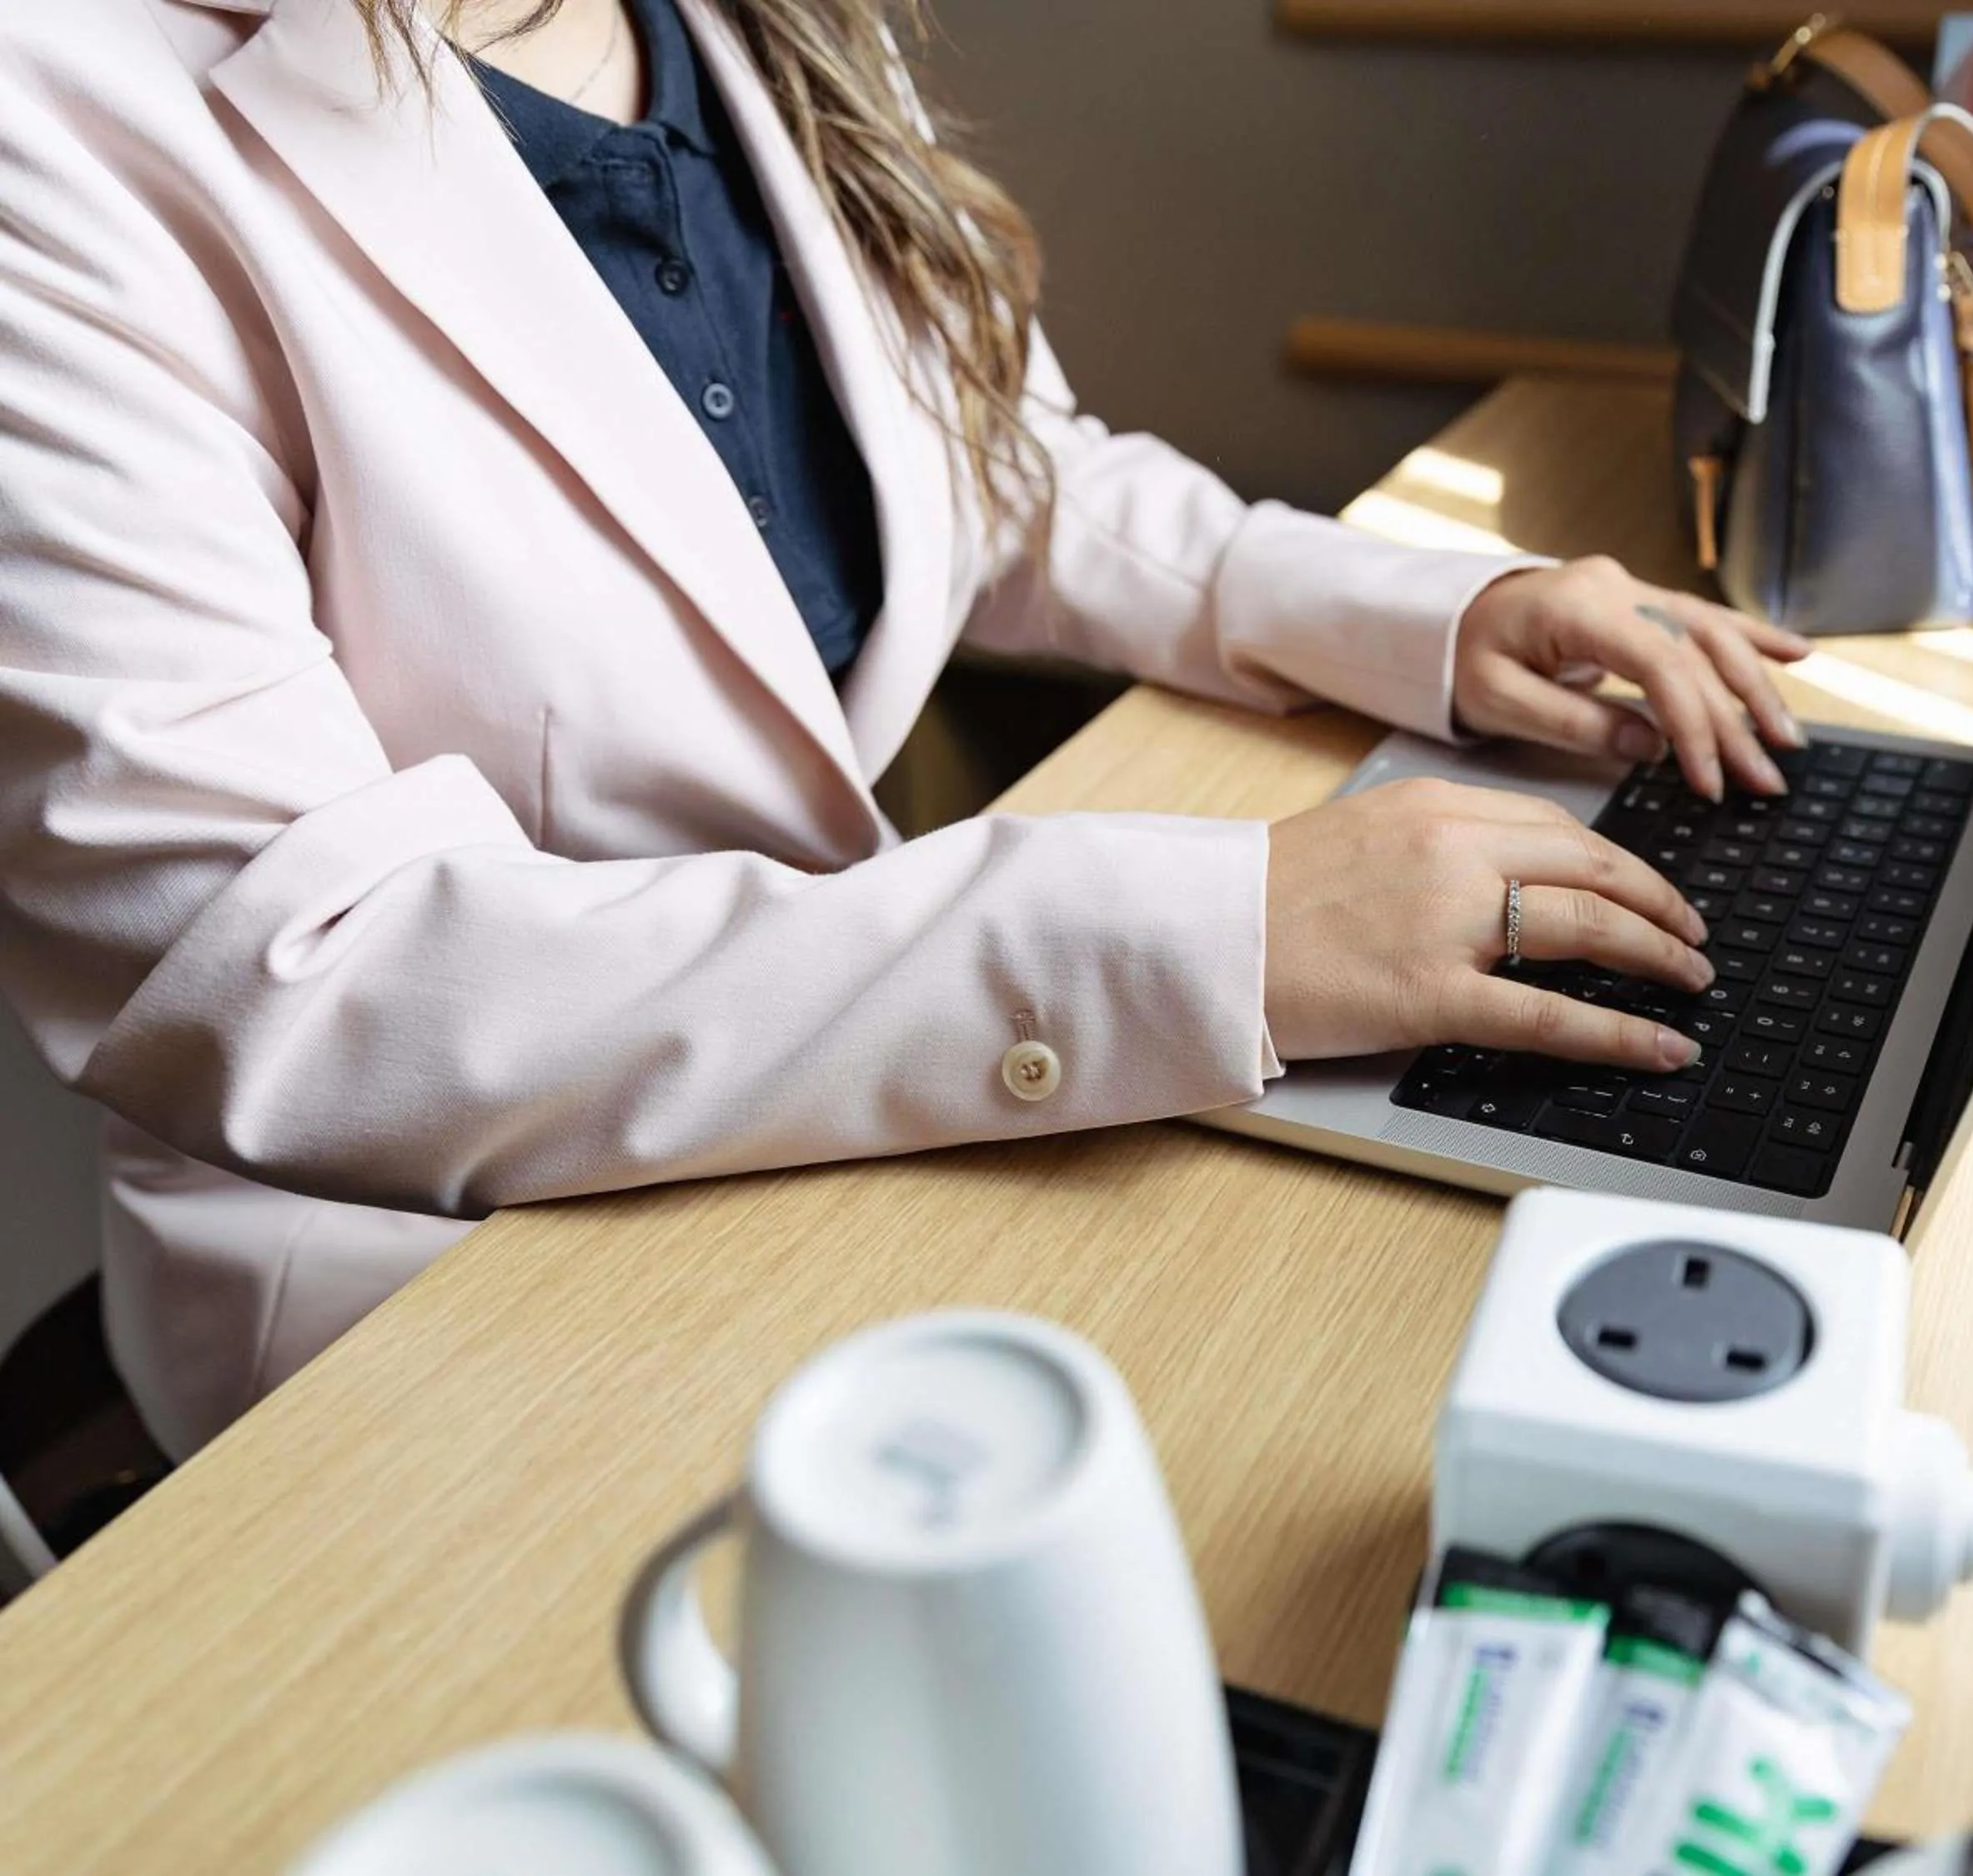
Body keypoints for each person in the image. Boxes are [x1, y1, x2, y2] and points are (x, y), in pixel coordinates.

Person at [0, 0, 1810, 1458]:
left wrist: (1432, 612)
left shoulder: (745, 29)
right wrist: (1215, 927)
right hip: (421, 1262)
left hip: (834, 1080)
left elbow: (996, 472)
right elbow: (299, 973)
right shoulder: (54, 119)